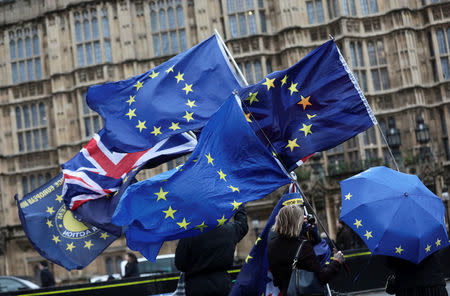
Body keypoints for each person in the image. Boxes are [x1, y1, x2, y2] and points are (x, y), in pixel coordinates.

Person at [267, 205, 344, 295]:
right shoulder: (303, 246)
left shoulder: (272, 245)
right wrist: (336, 261)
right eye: (301, 218)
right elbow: (322, 277)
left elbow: (276, 281)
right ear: (297, 222)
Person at [175, 206, 248, 296]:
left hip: (197, 287)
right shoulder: (228, 230)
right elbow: (243, 225)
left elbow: (180, 264)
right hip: (222, 285)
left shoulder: (190, 234)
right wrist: (239, 205)